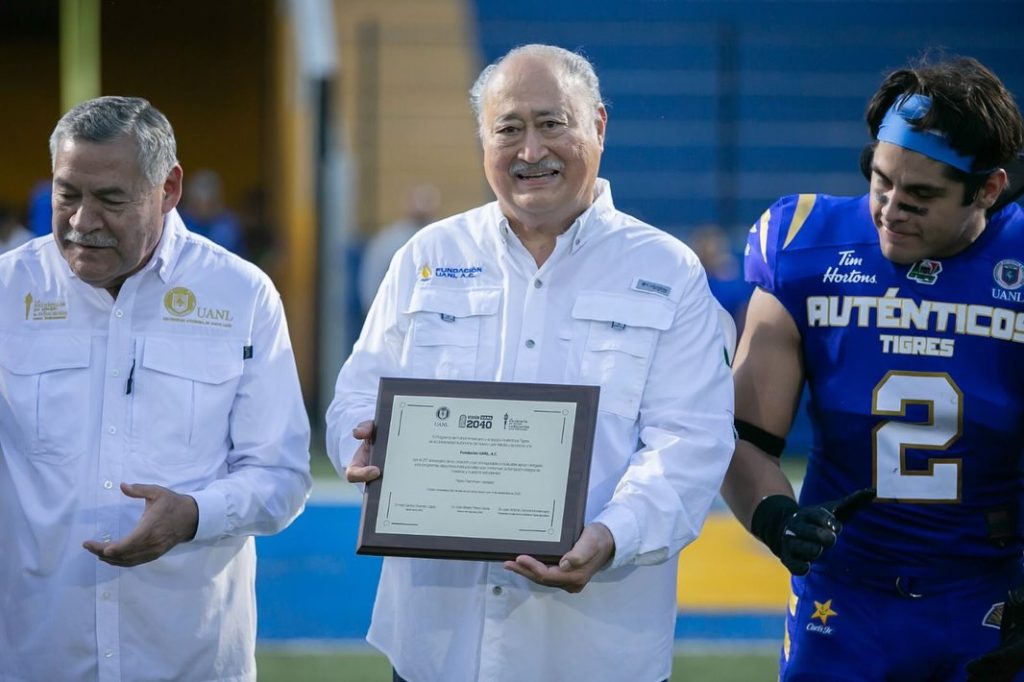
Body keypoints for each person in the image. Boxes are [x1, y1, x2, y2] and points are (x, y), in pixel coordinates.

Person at [325, 44, 735, 682]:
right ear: (482, 139)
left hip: (593, 653)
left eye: (552, 123)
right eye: (508, 129)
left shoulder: (667, 271)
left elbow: (691, 443)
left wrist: (613, 534)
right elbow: (356, 397)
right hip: (437, 647)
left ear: (598, 125)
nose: (531, 150)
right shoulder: (427, 256)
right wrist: (361, 446)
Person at [720, 55, 1024, 681]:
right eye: (880, 180)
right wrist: (779, 521)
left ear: (988, 190)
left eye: (921, 195)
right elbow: (743, 438)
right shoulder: (806, 242)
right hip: (844, 598)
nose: (890, 208)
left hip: (993, 594)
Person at [0, 96, 312, 681]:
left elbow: (283, 475)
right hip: (36, 656)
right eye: (67, 195)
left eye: (110, 199)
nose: (82, 221)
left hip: (188, 659)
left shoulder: (242, 295)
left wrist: (194, 515)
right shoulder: (8, 291)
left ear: (169, 189)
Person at [357, 182, 441, 314]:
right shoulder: (388, 241)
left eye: (426, 201)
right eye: (417, 201)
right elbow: (372, 278)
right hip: (394, 312)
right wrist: (373, 311)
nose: (421, 207)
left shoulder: (445, 238)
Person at [179, 167, 248, 257]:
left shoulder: (228, 225)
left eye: (209, 203)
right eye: (197, 202)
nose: (203, 208)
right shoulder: (181, 221)